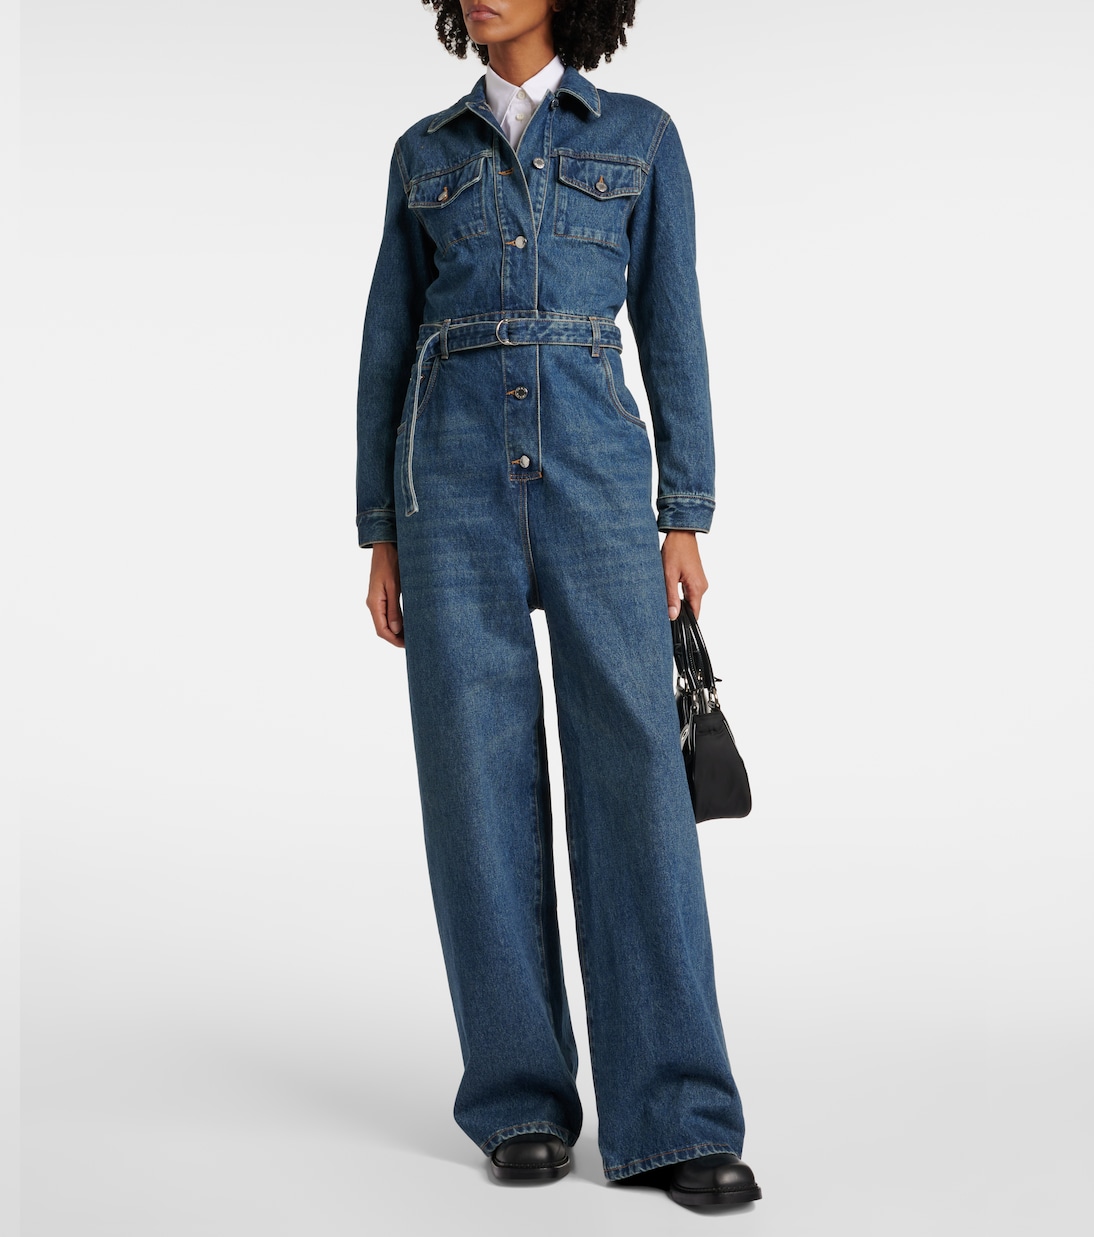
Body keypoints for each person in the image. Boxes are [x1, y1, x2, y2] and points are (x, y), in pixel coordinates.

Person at [356, 0, 762, 1210]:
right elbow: (386, 345)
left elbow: (672, 326)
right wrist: (379, 531)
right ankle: (518, 1099)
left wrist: (682, 512)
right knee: (475, 791)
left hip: (596, 484)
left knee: (636, 785)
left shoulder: (639, 137)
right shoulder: (423, 153)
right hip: (448, 495)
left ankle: (675, 1113)